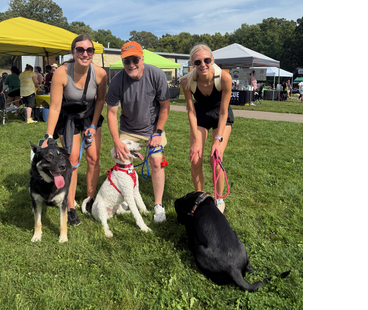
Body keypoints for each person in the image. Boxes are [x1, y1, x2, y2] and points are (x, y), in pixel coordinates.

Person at [41, 35, 107, 226]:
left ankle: (90, 200)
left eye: (89, 50)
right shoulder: (61, 73)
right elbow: (55, 107)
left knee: (93, 158)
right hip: (68, 119)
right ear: (73, 52)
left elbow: (100, 101)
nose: (85, 54)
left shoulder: (100, 73)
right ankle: (70, 207)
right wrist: (48, 136)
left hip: (90, 117)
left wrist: (93, 125)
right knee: (72, 160)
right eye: (80, 49)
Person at [106, 41, 171, 222]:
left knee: (156, 162)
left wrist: (158, 133)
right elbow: (111, 113)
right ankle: (125, 198)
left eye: (135, 60)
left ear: (142, 59)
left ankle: (158, 204)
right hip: (128, 128)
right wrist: (116, 141)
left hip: (152, 128)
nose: (131, 65)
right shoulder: (116, 81)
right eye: (127, 61)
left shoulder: (156, 74)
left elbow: (165, 107)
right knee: (122, 164)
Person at [181, 44, 233, 213]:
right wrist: (196, 141)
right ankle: (200, 198)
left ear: (212, 60)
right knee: (195, 157)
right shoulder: (187, 81)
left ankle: (219, 199)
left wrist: (218, 140)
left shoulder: (224, 78)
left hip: (220, 115)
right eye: (197, 62)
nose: (203, 64)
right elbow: (191, 112)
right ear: (192, 63)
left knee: (215, 158)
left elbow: (224, 112)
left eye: (206, 60)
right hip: (200, 115)